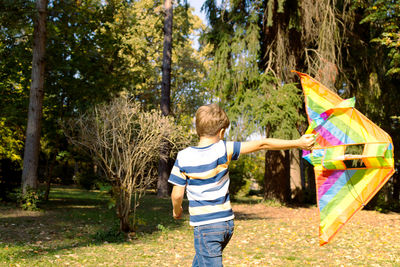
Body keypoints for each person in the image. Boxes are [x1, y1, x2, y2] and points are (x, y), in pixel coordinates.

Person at [168, 103, 314, 267]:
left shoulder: (184, 156)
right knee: (201, 261)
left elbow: (177, 194)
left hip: (206, 227)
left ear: (197, 129)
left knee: (207, 260)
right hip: (226, 224)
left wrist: (177, 211)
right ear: (222, 132)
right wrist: (298, 143)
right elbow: (262, 144)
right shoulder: (223, 148)